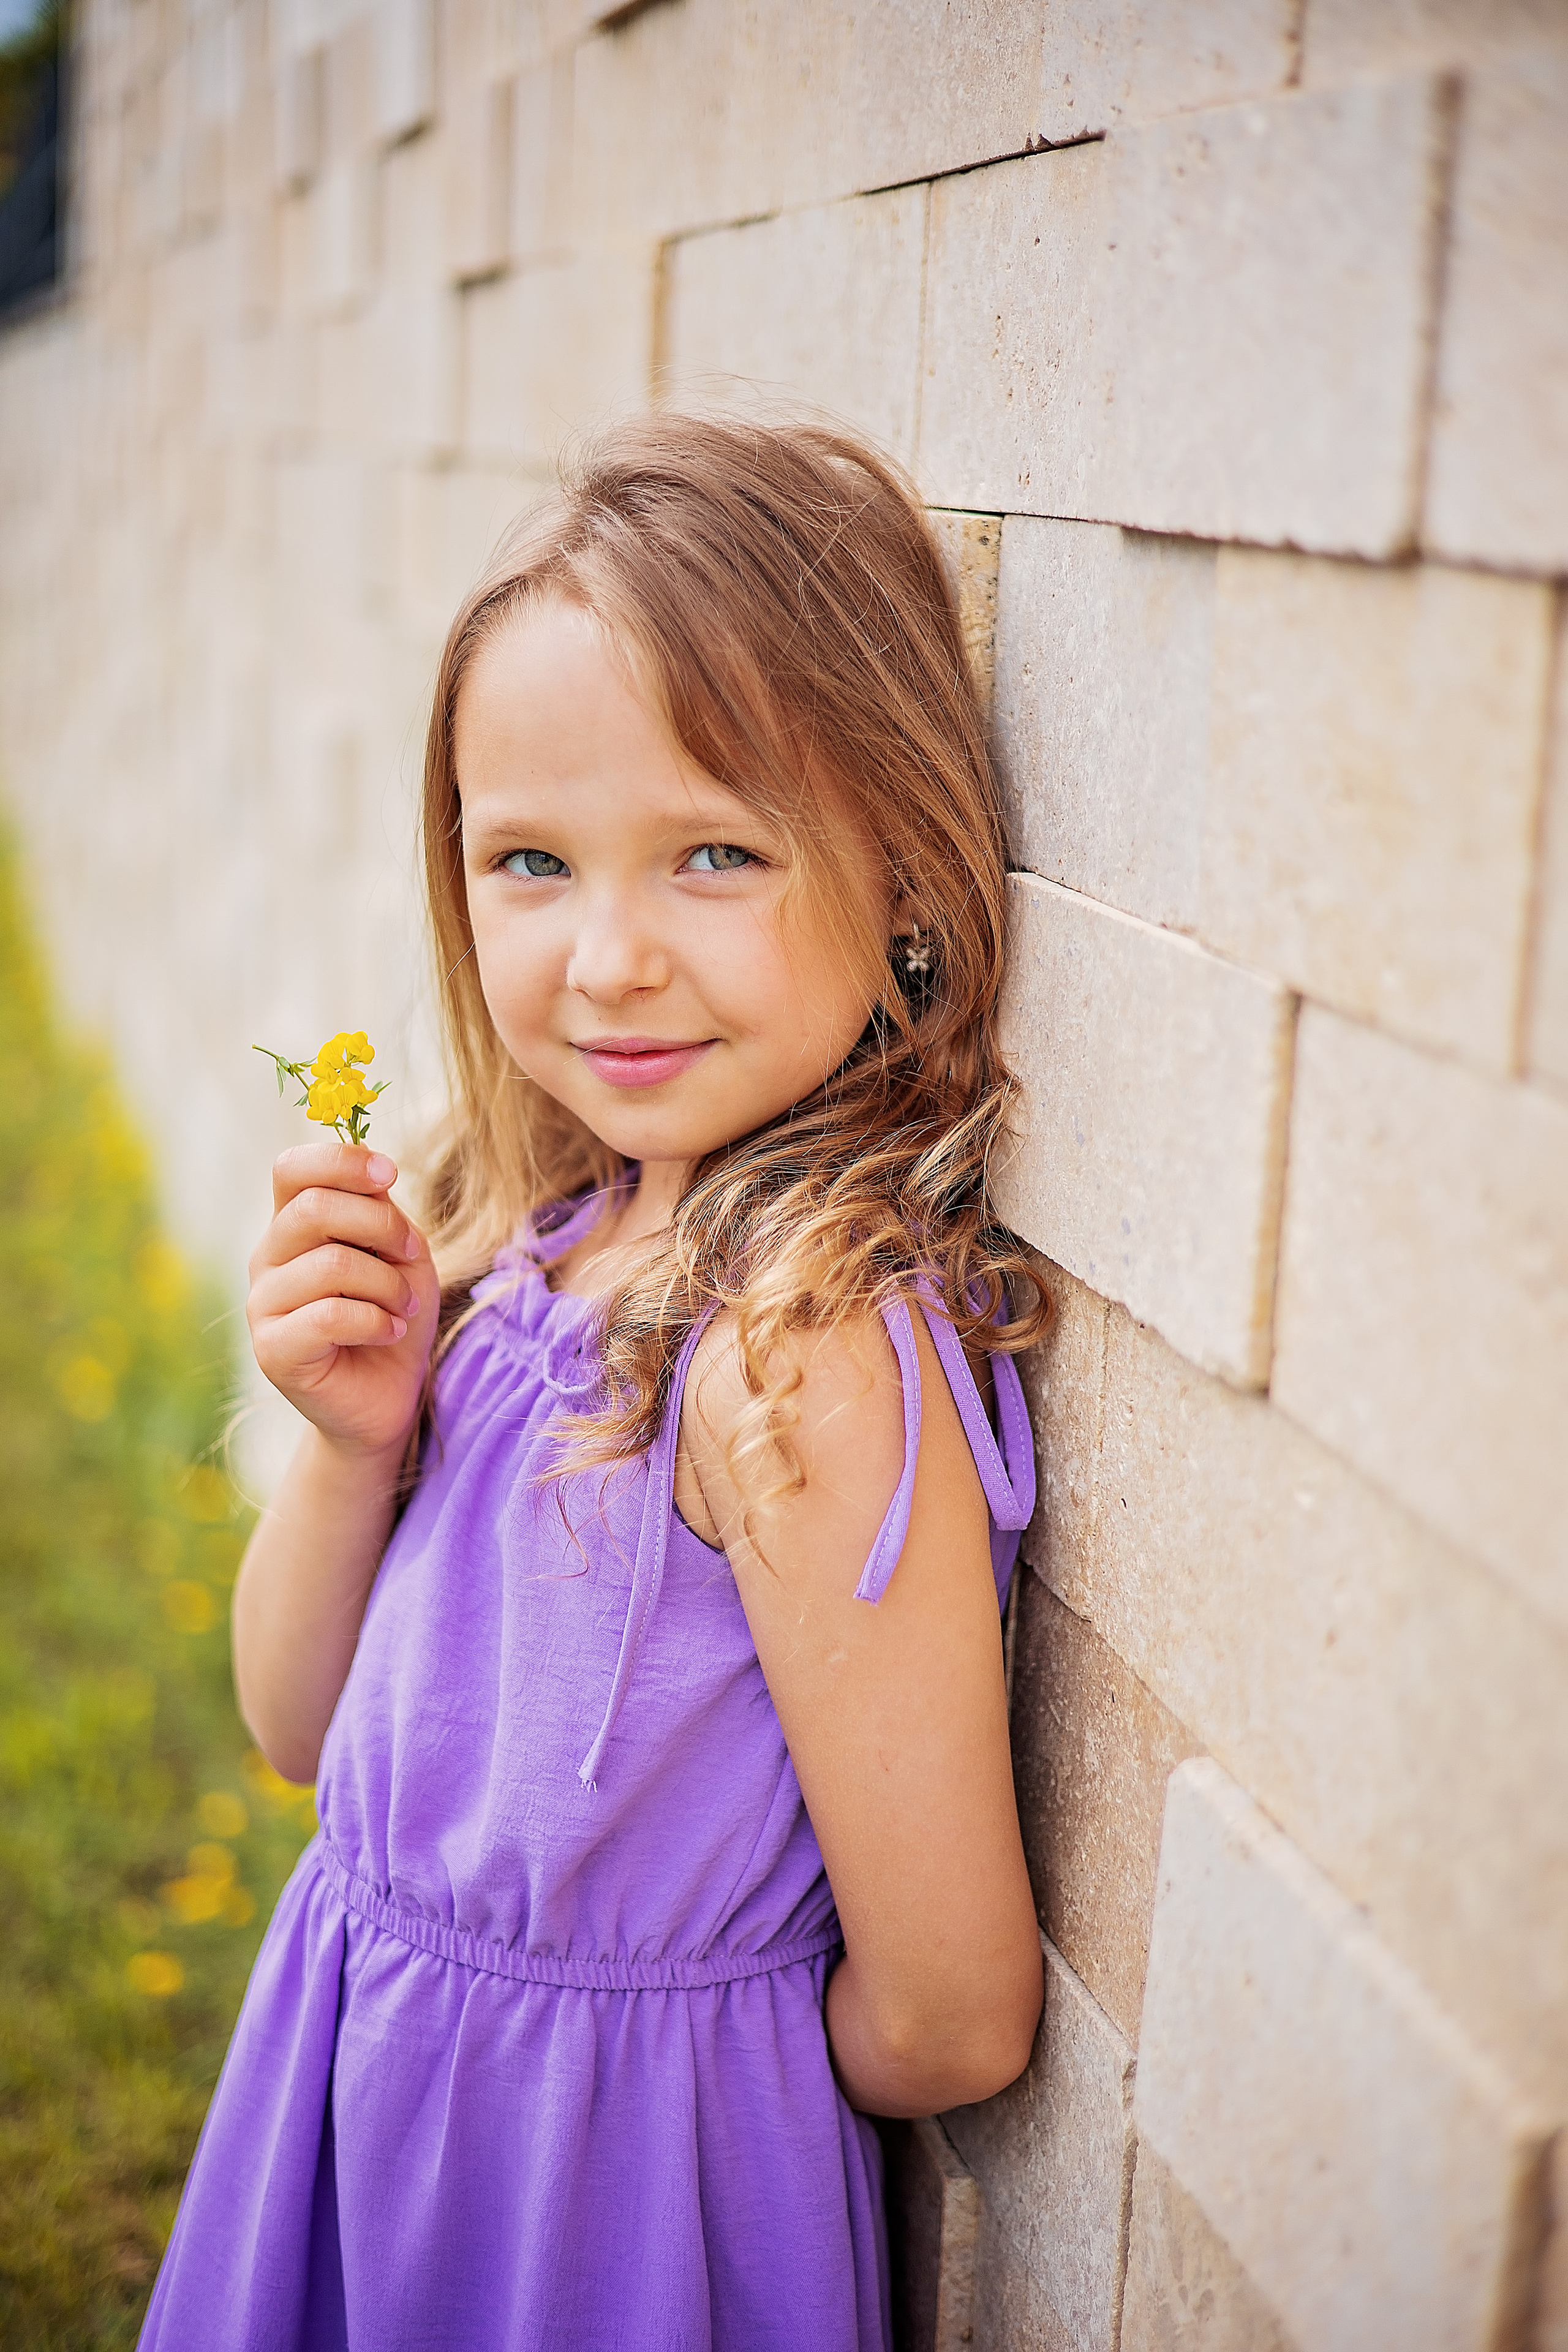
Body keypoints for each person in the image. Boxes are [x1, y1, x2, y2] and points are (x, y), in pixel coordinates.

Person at [139, 412, 1048, 2352]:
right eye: (531, 861)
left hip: (601, 2220)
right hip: (357, 2094)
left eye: (716, 851)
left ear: (905, 876)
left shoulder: (797, 1348)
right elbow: (301, 1739)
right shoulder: (514, 1234)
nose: (610, 957)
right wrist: (351, 1450)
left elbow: (952, 2013)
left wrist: (668, 2095)